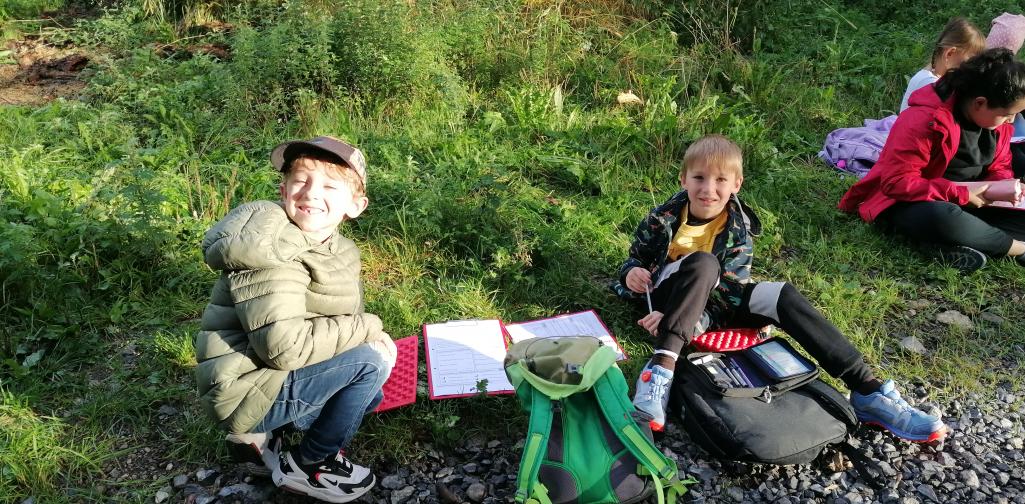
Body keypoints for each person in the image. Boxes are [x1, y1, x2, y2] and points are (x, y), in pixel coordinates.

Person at [616, 134, 947, 443]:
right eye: (699, 178)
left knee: (780, 294)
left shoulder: (738, 227)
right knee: (703, 262)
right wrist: (632, 273)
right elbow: (635, 260)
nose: (708, 189)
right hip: (664, 294)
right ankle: (660, 370)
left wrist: (691, 319)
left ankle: (867, 390)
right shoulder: (664, 217)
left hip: (711, 302)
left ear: (736, 184)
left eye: (720, 180)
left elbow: (729, 293)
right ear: (683, 179)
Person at [194, 136, 397, 503]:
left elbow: (335, 319)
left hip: (266, 376)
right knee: (369, 364)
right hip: (244, 387)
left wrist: (364, 334)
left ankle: (267, 437)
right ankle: (310, 465)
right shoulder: (270, 252)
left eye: (330, 186)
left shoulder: (338, 247)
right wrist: (370, 330)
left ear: (356, 205)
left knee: (372, 383)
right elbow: (284, 349)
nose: (311, 193)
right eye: (301, 180)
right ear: (283, 189)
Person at [840, 49, 1025, 272]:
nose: (1012, 120)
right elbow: (897, 182)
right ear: (979, 103)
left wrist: (1001, 188)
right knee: (941, 218)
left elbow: (1000, 164)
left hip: (971, 202)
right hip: (915, 202)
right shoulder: (925, 119)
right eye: (1007, 114)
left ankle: (959, 244)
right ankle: (1016, 248)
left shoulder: (998, 126)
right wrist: (961, 194)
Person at [899, 17, 985, 113]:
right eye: (970, 62)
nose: (972, 69)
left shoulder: (931, 74)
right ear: (949, 54)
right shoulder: (930, 84)